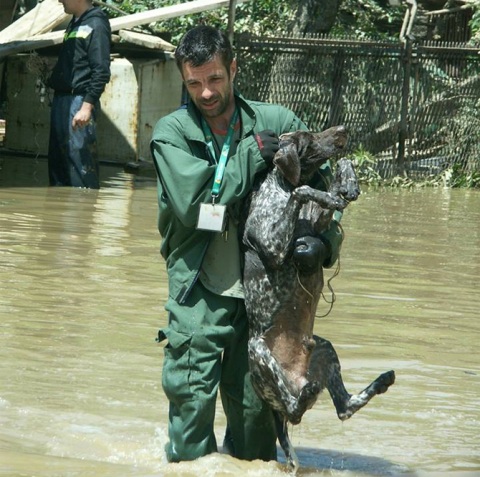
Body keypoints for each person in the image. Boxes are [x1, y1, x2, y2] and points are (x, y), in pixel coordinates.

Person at [150, 25, 344, 463]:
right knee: (190, 411)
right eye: (194, 83)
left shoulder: (279, 123)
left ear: (234, 68)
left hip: (268, 299)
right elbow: (194, 209)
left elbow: (327, 196)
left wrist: (323, 242)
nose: (206, 92)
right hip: (201, 289)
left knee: (257, 430)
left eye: (215, 78)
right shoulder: (171, 133)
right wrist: (249, 156)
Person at [47, 0, 111, 189]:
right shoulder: (74, 23)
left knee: (80, 166)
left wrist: (86, 107)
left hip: (78, 102)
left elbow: (101, 71)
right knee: (58, 164)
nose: (60, 0)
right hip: (62, 100)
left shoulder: (96, 23)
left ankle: (83, 205)